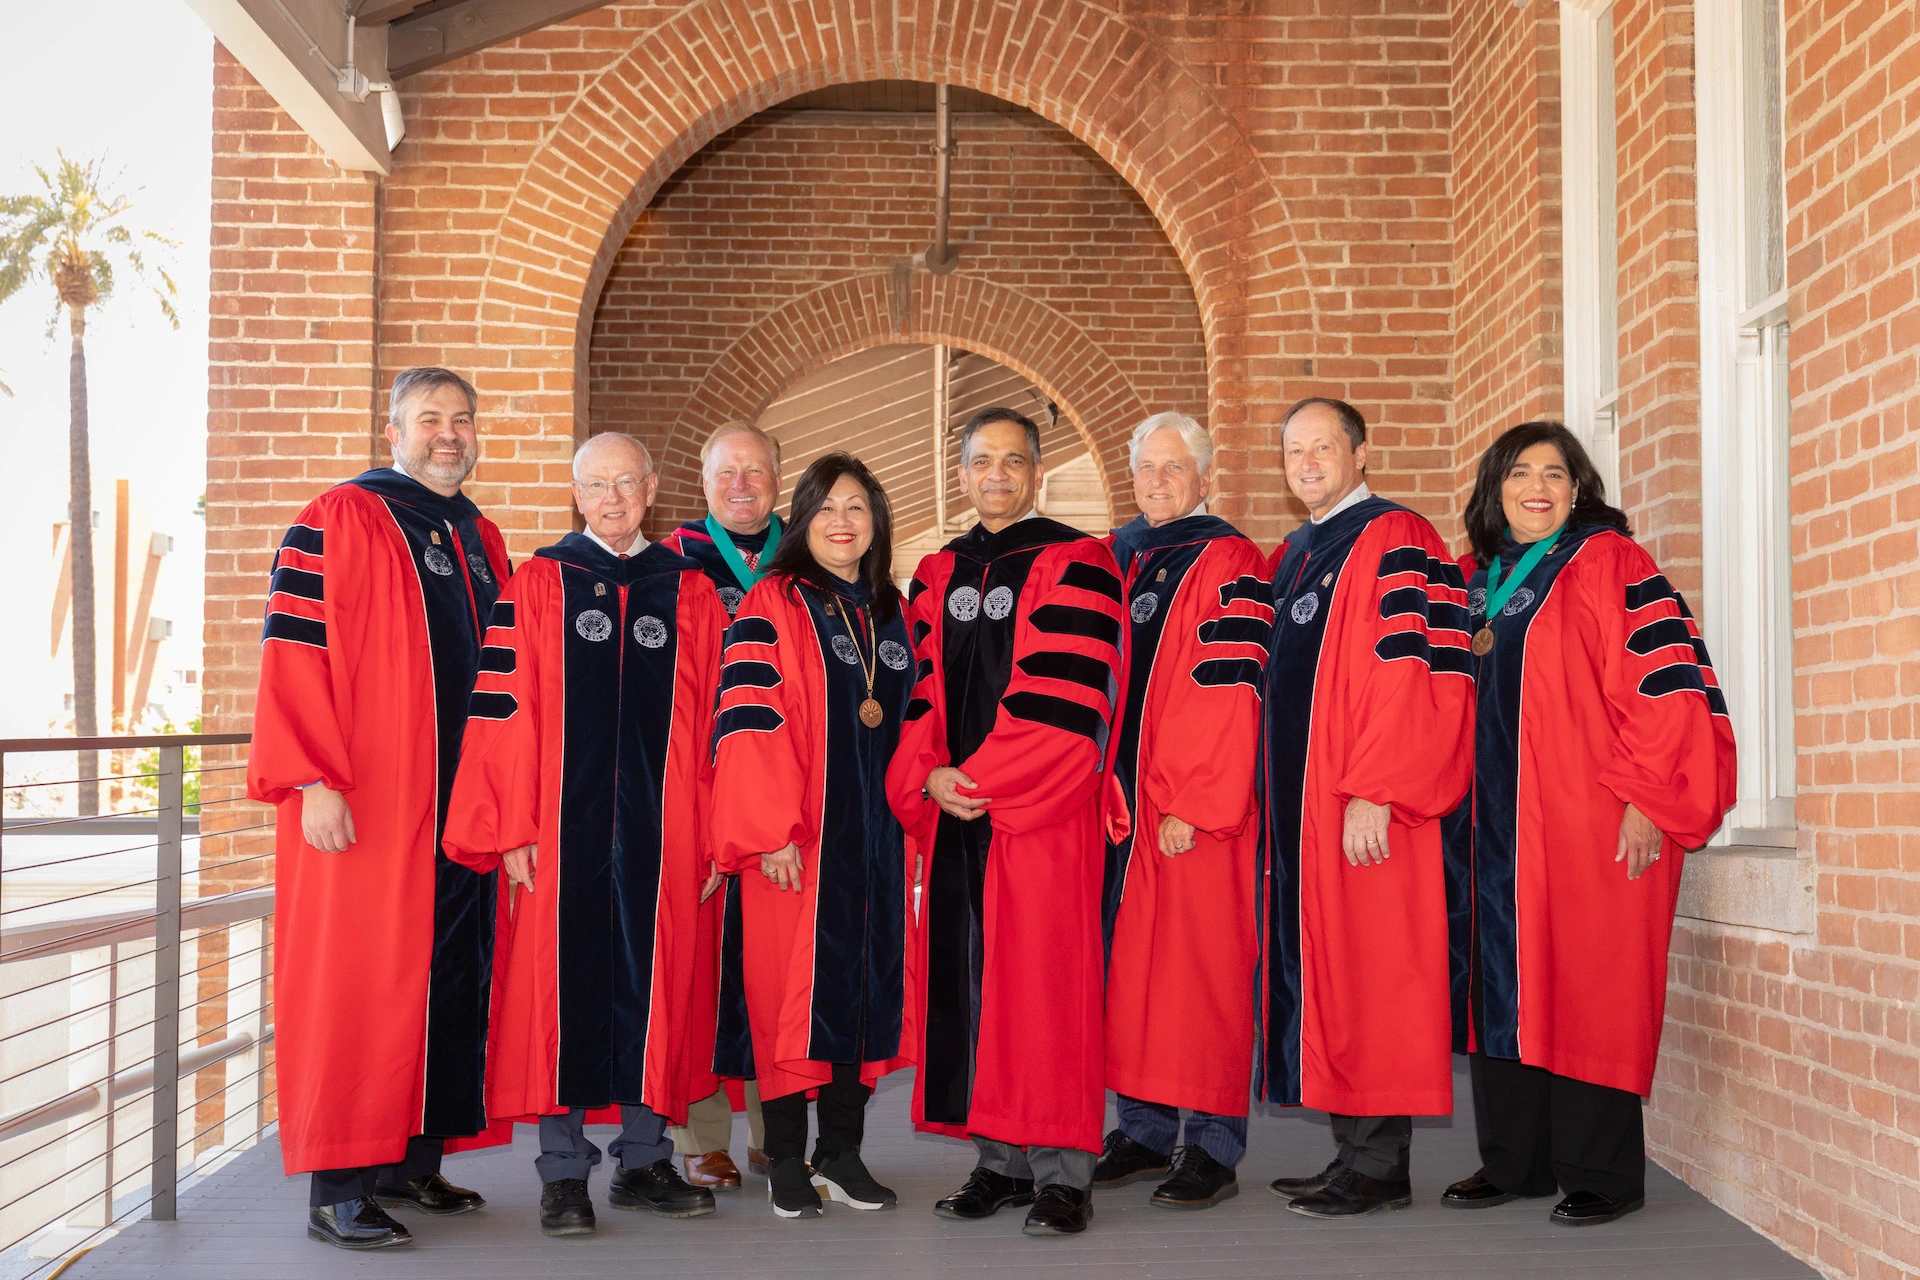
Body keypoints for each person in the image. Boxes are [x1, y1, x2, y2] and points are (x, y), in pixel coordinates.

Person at [1441, 422, 1736, 1226]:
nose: (1537, 486)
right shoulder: (1470, 580)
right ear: (1494, 486)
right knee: (1499, 988)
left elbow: (1667, 685)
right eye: (1520, 472)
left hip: (1586, 819)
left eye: (1556, 473)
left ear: (1579, 489)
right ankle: (1513, 1161)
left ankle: (1600, 1172)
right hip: (1487, 831)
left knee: (1590, 986)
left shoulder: (1611, 563)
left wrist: (1649, 794)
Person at [248, 367, 509, 1250]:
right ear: (392, 430)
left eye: (462, 419)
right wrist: (312, 779)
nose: (449, 434)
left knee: (449, 979)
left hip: (458, 813)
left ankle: (413, 1161)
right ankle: (339, 1185)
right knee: (360, 984)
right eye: (429, 419)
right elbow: (292, 648)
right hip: (367, 805)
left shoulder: (481, 538)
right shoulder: (339, 516)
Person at [441, 432, 727, 1238]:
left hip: (665, 836)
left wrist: (714, 834)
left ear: (652, 487)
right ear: (575, 494)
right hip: (556, 838)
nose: (613, 497)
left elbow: (716, 730)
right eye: (596, 484)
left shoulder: (692, 593)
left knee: (657, 987)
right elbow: (502, 711)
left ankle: (644, 1160)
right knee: (552, 998)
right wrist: (511, 828)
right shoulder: (539, 585)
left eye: (627, 482)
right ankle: (563, 1174)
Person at [886, 407, 1129, 1238]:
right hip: (958, 814)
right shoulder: (937, 571)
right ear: (960, 472)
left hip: (1040, 814)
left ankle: (1064, 1172)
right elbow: (917, 691)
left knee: (1047, 990)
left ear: (1037, 471)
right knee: (977, 986)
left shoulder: (1077, 561)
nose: (997, 474)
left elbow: (1071, 695)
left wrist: (980, 780)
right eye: (982, 461)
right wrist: (929, 775)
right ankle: (999, 1162)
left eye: (1014, 461)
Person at [1258, 396, 1475, 1219]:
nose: (1308, 462)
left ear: (1361, 453)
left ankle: (1380, 1168)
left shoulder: (1397, 538)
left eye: (1324, 447)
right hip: (1307, 817)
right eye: (1294, 451)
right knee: (1335, 973)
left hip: (1366, 806)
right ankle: (1351, 1151)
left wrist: (1376, 789)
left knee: (1378, 973)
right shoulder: (1297, 555)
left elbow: (1412, 670)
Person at [710, 452, 918, 1218]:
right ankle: (787, 1157)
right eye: (826, 507)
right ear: (801, 520)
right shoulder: (773, 602)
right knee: (789, 1003)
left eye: (857, 507)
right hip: (797, 844)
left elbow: (920, 729)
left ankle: (843, 1152)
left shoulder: (892, 613)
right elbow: (749, 721)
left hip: (878, 847)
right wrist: (770, 832)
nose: (841, 521)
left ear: (877, 522)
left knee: (861, 998)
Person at [1091, 413, 1270, 1211]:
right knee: (1132, 973)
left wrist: (1196, 800)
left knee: (1202, 973)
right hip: (1116, 809)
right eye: (1146, 470)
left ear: (1205, 474)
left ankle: (1213, 1144)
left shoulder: (1228, 557)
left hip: (1187, 807)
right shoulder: (1112, 557)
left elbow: (1227, 688)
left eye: (1174, 468)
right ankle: (1141, 1128)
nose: (1158, 483)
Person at [660, 421, 783, 1187]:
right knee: (697, 968)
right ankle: (699, 1138)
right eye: (726, 471)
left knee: (775, 968)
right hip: (695, 794)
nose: (742, 484)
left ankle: (779, 1131)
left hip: (780, 799)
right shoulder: (670, 565)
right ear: (703, 483)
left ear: (777, 477)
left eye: (757, 470)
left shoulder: (810, 562)